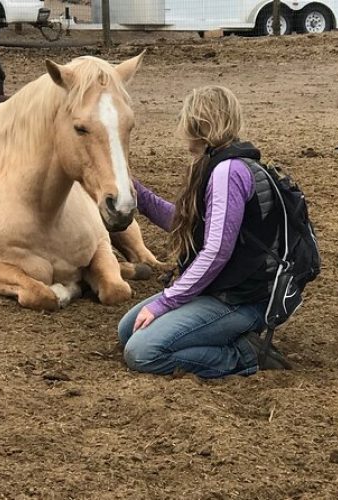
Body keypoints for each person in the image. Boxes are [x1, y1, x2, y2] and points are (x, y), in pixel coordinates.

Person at [118, 85, 290, 378]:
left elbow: (216, 251)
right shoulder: (221, 164)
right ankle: (223, 337)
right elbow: (194, 227)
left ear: (198, 124)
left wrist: (165, 302)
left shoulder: (227, 172)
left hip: (239, 299)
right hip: (223, 290)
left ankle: (244, 355)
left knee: (142, 352)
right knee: (127, 330)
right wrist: (139, 196)